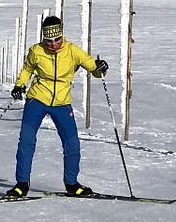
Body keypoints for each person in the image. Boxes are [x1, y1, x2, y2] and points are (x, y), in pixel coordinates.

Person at [7, 16, 108, 198]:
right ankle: (22, 184)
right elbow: (27, 69)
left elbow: (94, 68)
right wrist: (19, 85)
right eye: (49, 41)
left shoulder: (72, 51)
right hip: (37, 99)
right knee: (26, 141)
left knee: (72, 144)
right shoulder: (36, 51)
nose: (53, 44)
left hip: (61, 102)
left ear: (62, 35)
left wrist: (101, 68)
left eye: (57, 40)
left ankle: (71, 184)